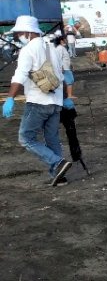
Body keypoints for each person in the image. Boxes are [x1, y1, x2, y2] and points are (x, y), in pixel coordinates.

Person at [2, 15, 73, 186]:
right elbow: (60, 76)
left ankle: (57, 163)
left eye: (19, 33)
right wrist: (66, 99)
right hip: (55, 102)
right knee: (52, 138)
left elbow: (19, 75)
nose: (17, 36)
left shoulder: (28, 50)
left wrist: (10, 98)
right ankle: (59, 175)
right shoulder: (51, 47)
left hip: (38, 101)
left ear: (27, 32)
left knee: (26, 138)